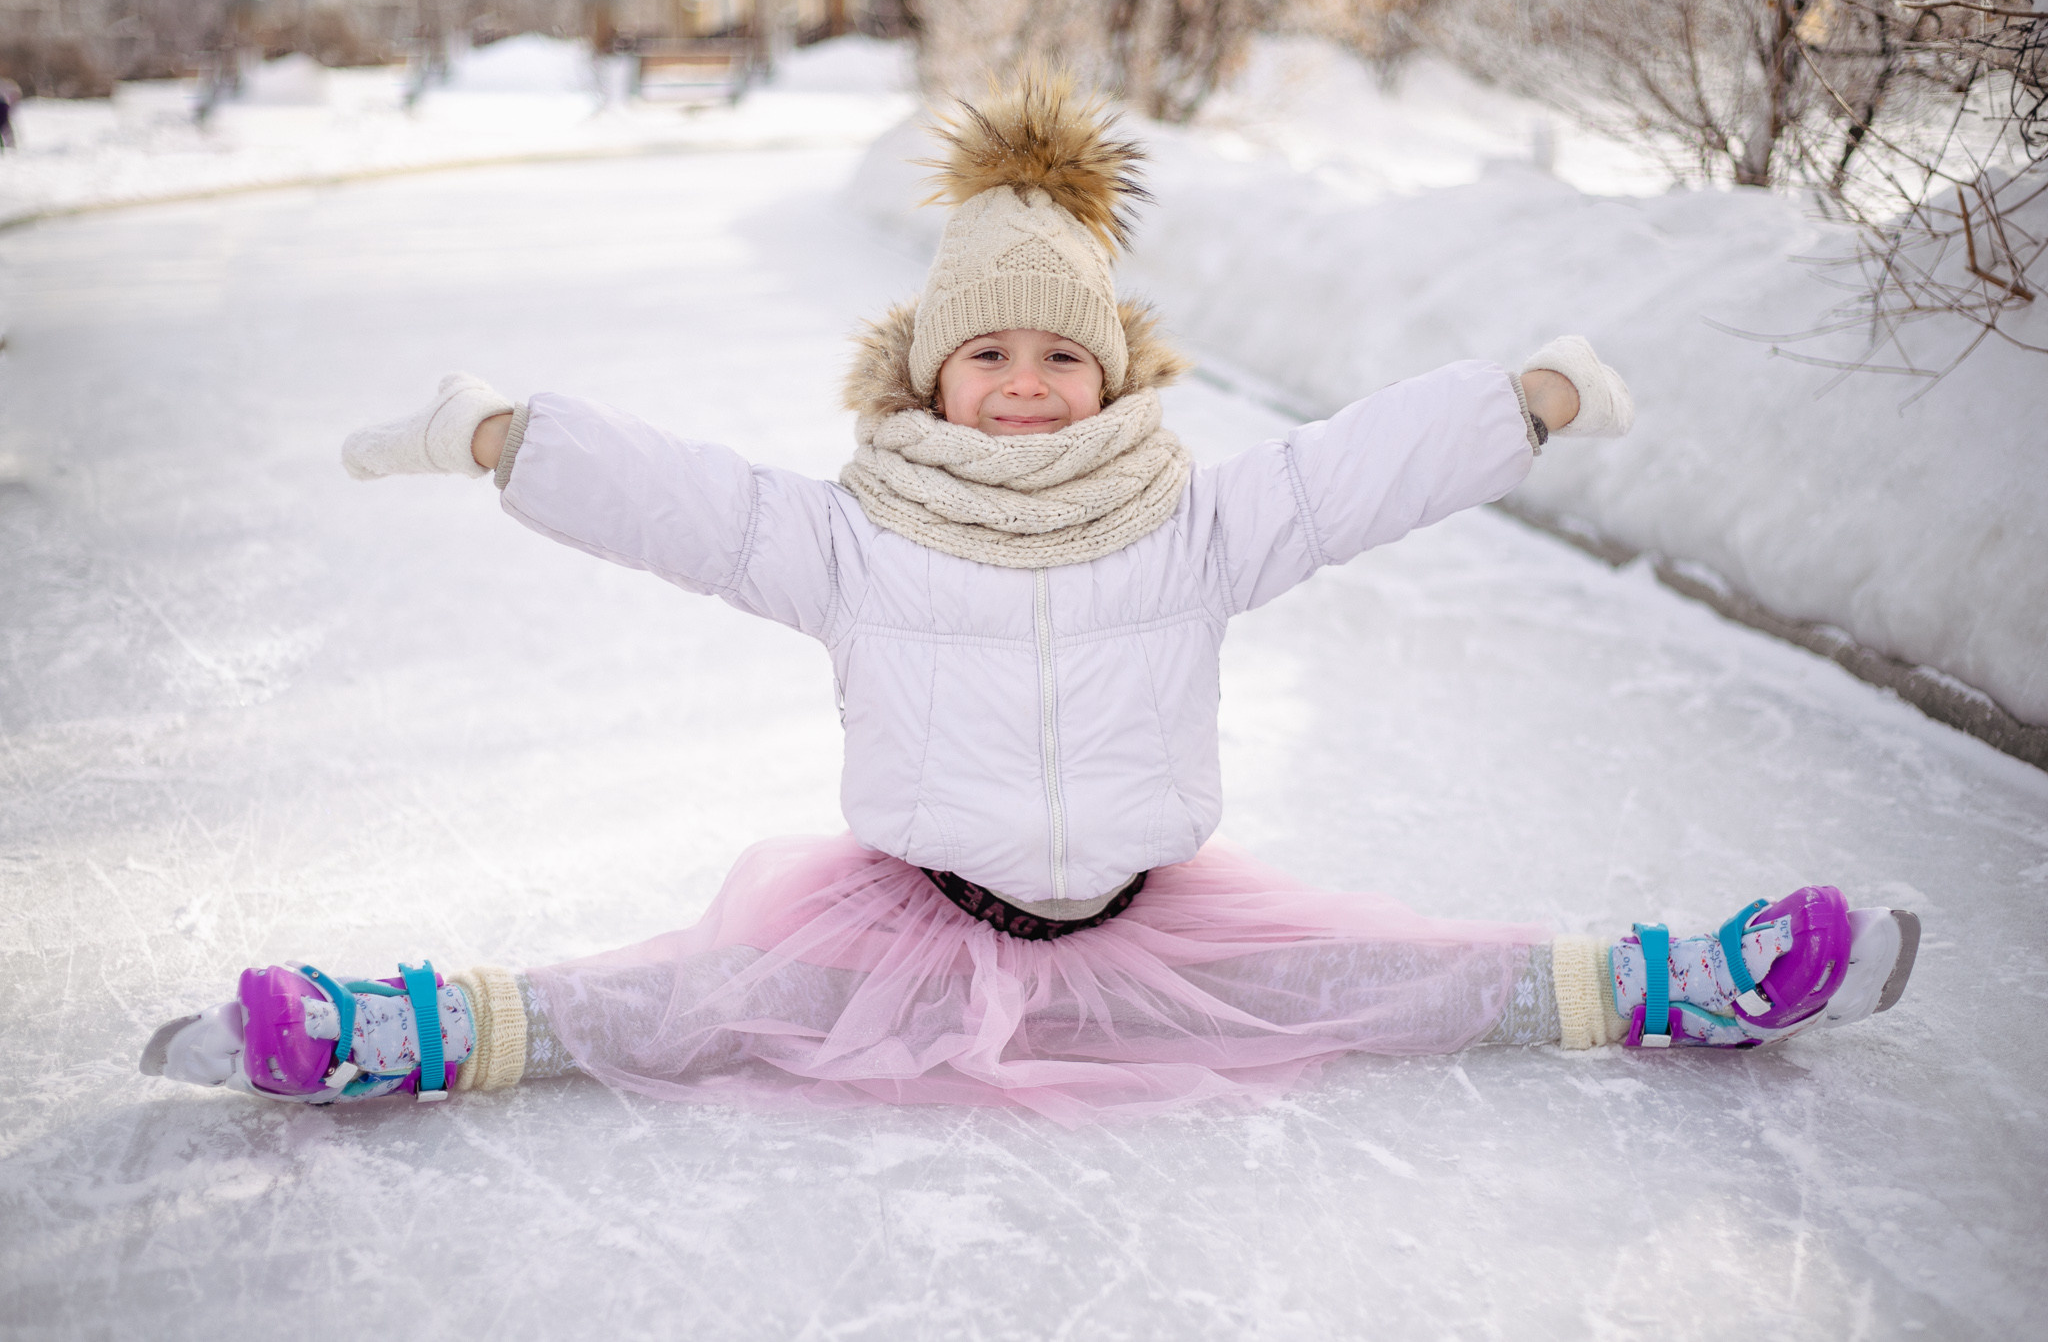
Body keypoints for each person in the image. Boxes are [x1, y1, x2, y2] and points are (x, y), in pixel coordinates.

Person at [140, 73, 1919, 1125]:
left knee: (1391, 980)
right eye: (984, 349)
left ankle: (1688, 982)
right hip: (906, 926)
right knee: (670, 1004)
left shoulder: (1193, 524)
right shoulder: (857, 535)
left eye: (1057, 352)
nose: (1021, 380)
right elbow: (687, 503)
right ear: (927, 376)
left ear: (1110, 370)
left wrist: (1515, 399)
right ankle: (399, 1029)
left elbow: (1351, 470)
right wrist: (507, 433)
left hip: (1152, 924)